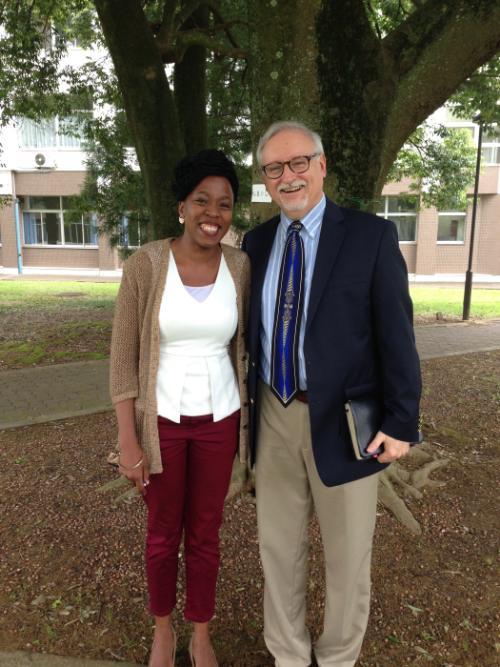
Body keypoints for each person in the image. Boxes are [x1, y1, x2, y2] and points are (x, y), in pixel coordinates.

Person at [242, 121, 421, 667]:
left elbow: (397, 333)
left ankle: (339, 657)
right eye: (275, 168)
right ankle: (290, 656)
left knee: (347, 557)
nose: (288, 177)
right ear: (267, 180)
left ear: (322, 165)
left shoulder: (370, 237)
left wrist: (402, 420)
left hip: (346, 422)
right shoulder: (257, 242)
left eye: (299, 163)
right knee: (278, 549)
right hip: (274, 410)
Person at [109, 149, 250, 667]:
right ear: (181, 207)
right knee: (164, 532)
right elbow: (123, 361)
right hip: (161, 422)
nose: (214, 214)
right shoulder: (145, 265)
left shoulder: (240, 266)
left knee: (207, 532)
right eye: (202, 201)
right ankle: (163, 630)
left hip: (220, 421)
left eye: (225, 204)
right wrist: (128, 440)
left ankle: (202, 633)